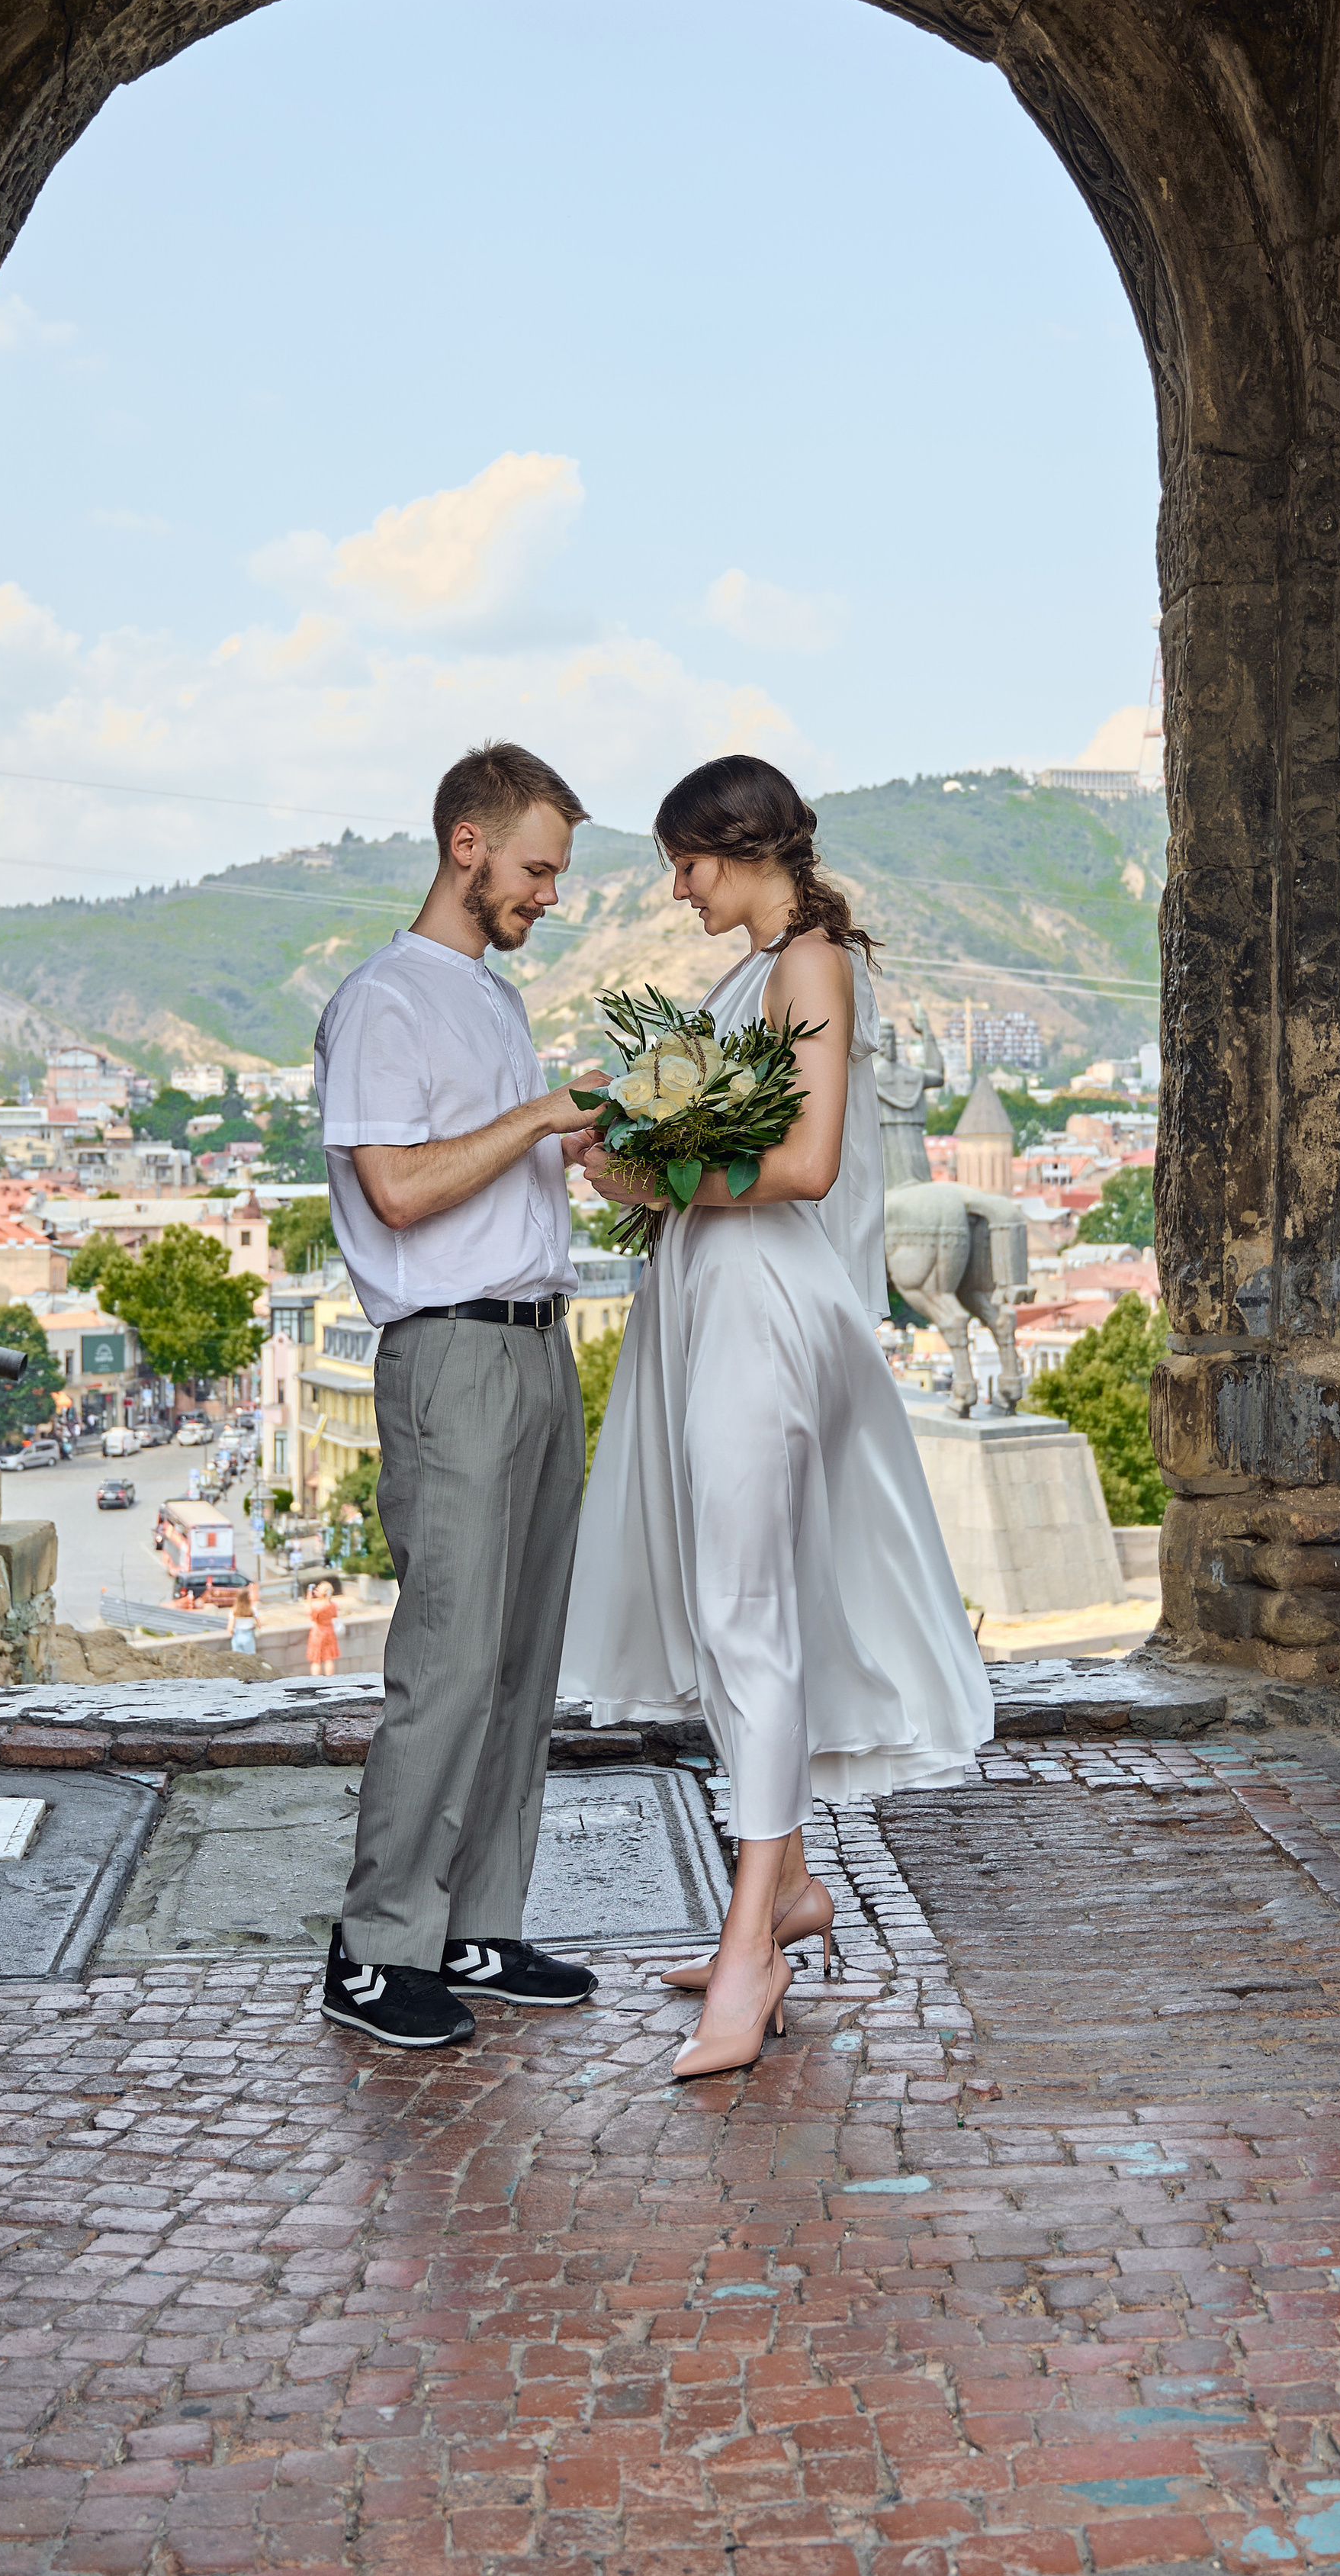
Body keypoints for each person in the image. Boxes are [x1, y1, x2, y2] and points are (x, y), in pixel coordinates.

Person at [561, 754, 994, 2081]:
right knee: (740, 1594)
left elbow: (802, 1163)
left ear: (738, 847)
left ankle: (751, 1947)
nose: (679, 893)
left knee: (747, 1608)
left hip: (763, 1301)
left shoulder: (810, 963)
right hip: (716, 1294)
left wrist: (658, 1166)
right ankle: (788, 1882)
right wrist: (634, 1159)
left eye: (685, 866)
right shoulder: (748, 975)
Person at [312, 740, 602, 2052]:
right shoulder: (386, 999)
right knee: (446, 1662)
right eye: (539, 867)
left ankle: (475, 1920)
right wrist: (542, 1115)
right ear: (468, 846)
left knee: (523, 1658)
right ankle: (375, 1950)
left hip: (540, 1348)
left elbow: (495, 1165)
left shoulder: (489, 997)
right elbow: (400, 1189)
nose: (551, 893)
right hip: (452, 1359)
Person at [305, 1574, 341, 1676]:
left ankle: (316, 1680)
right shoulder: (333, 1605)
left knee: (316, 1659)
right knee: (328, 1658)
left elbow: (309, 1614)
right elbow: (335, 1615)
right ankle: (329, 1678)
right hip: (329, 1632)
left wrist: (309, 1598)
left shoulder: (318, 1607)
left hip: (318, 1633)